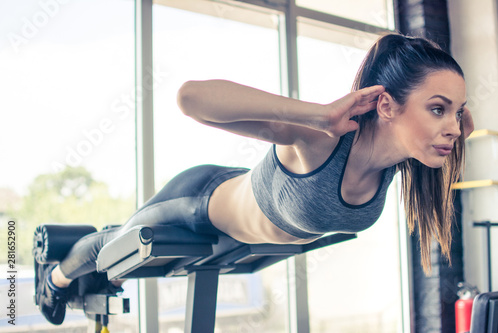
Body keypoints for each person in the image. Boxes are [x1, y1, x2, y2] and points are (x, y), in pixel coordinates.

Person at [35, 33, 474, 325]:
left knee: (117, 268)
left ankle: (87, 279)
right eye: (438, 108)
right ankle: (52, 280)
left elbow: (448, 140)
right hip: (199, 203)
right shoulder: (320, 140)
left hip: (242, 240)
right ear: (386, 106)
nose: (453, 125)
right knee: (113, 246)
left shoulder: (399, 162)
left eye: (457, 111)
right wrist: (319, 115)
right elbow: (191, 98)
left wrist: (449, 128)